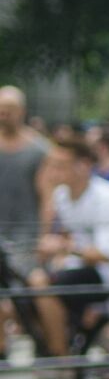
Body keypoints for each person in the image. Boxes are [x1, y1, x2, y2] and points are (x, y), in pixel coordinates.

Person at [27, 137, 109, 361]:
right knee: (28, 289)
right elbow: (55, 233)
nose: (54, 171)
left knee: (40, 283)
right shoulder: (62, 196)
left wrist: (64, 247)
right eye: (51, 165)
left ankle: (62, 358)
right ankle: (58, 343)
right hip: (81, 267)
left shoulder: (107, 199)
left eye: (61, 165)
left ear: (84, 165)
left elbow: (106, 254)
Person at [0, 87, 48, 358]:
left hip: (25, 237)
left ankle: (44, 343)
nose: (3, 113)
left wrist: (43, 235)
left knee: (29, 295)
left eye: (9, 108)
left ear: (22, 111)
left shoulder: (39, 149)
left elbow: (47, 198)